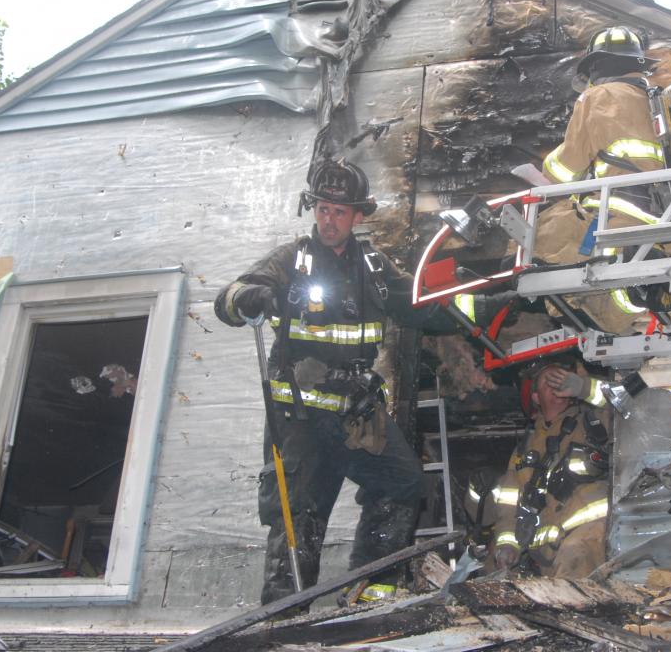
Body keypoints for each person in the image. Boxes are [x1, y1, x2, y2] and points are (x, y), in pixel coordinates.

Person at [214, 158, 463, 605]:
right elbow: (229, 299)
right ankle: (282, 620)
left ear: (357, 215)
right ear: (314, 209)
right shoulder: (293, 259)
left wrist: (475, 306)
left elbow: (418, 304)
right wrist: (249, 297)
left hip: (353, 416)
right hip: (302, 418)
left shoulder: (372, 265)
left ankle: (369, 595)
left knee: (403, 480)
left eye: (339, 212)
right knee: (299, 517)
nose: (329, 221)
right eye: (323, 209)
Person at [536, 26, 671, 334]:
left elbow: (567, 168)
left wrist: (543, 171)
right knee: (622, 299)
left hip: (617, 215)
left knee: (546, 234)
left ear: (596, 67)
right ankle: (634, 303)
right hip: (667, 220)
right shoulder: (662, 102)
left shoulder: (598, 96)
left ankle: (581, 317)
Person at [485, 361, 612, 578]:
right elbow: (508, 506)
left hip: (591, 533)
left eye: (561, 379)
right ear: (536, 397)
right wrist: (507, 546)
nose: (557, 386)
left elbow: (626, 404)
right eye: (549, 382)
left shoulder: (592, 422)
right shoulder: (524, 449)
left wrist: (584, 387)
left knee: (575, 555)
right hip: (544, 552)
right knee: (490, 573)